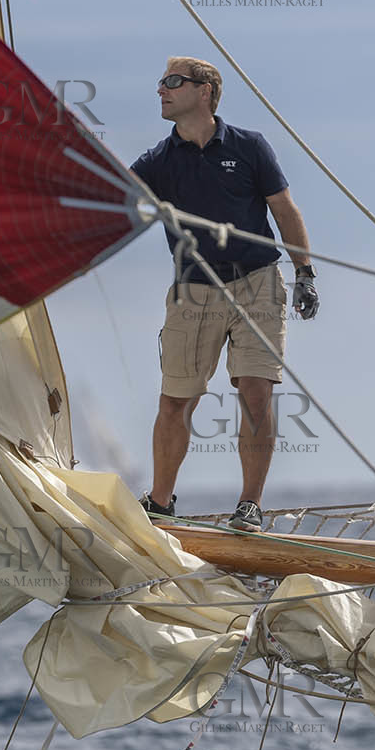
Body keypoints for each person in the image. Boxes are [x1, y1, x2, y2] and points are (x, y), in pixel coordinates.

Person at [131, 55, 318, 533]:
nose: (161, 90)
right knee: (176, 401)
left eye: (173, 81)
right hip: (193, 291)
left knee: (256, 393)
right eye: (161, 82)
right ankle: (160, 503)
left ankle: (250, 505)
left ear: (205, 91)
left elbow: (285, 210)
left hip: (258, 282)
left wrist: (305, 273)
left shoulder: (249, 146)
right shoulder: (157, 161)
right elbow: (113, 198)